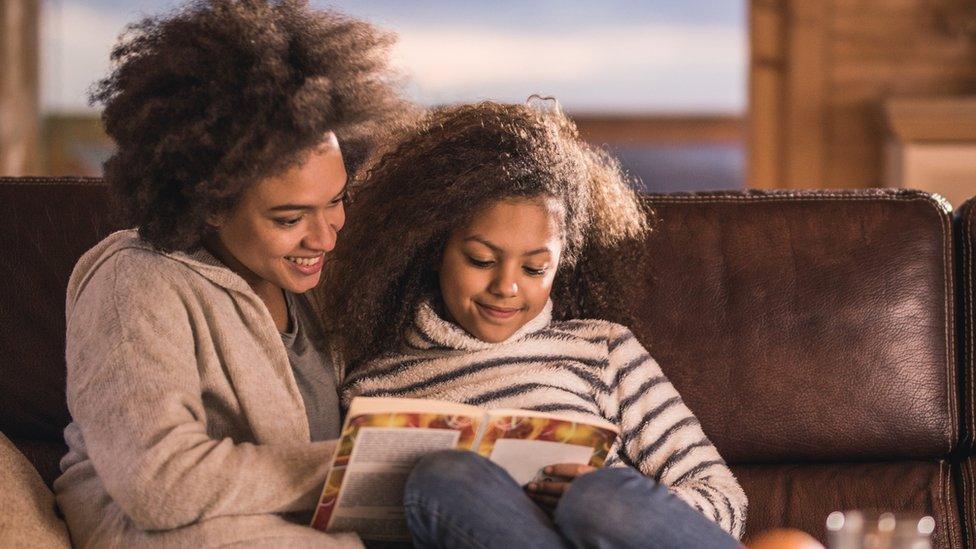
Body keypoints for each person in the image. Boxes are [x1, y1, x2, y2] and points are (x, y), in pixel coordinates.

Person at [53, 1, 407, 546]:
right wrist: (361, 469)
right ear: (209, 204)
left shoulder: (326, 286)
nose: (325, 236)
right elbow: (159, 485)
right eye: (288, 218)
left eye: (336, 200)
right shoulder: (136, 281)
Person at [322, 101, 747, 548]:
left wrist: (608, 503)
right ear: (432, 247)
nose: (506, 286)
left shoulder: (602, 350)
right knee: (445, 479)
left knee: (596, 498)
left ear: (561, 264)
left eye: (534, 268)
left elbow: (724, 502)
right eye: (481, 260)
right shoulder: (373, 387)